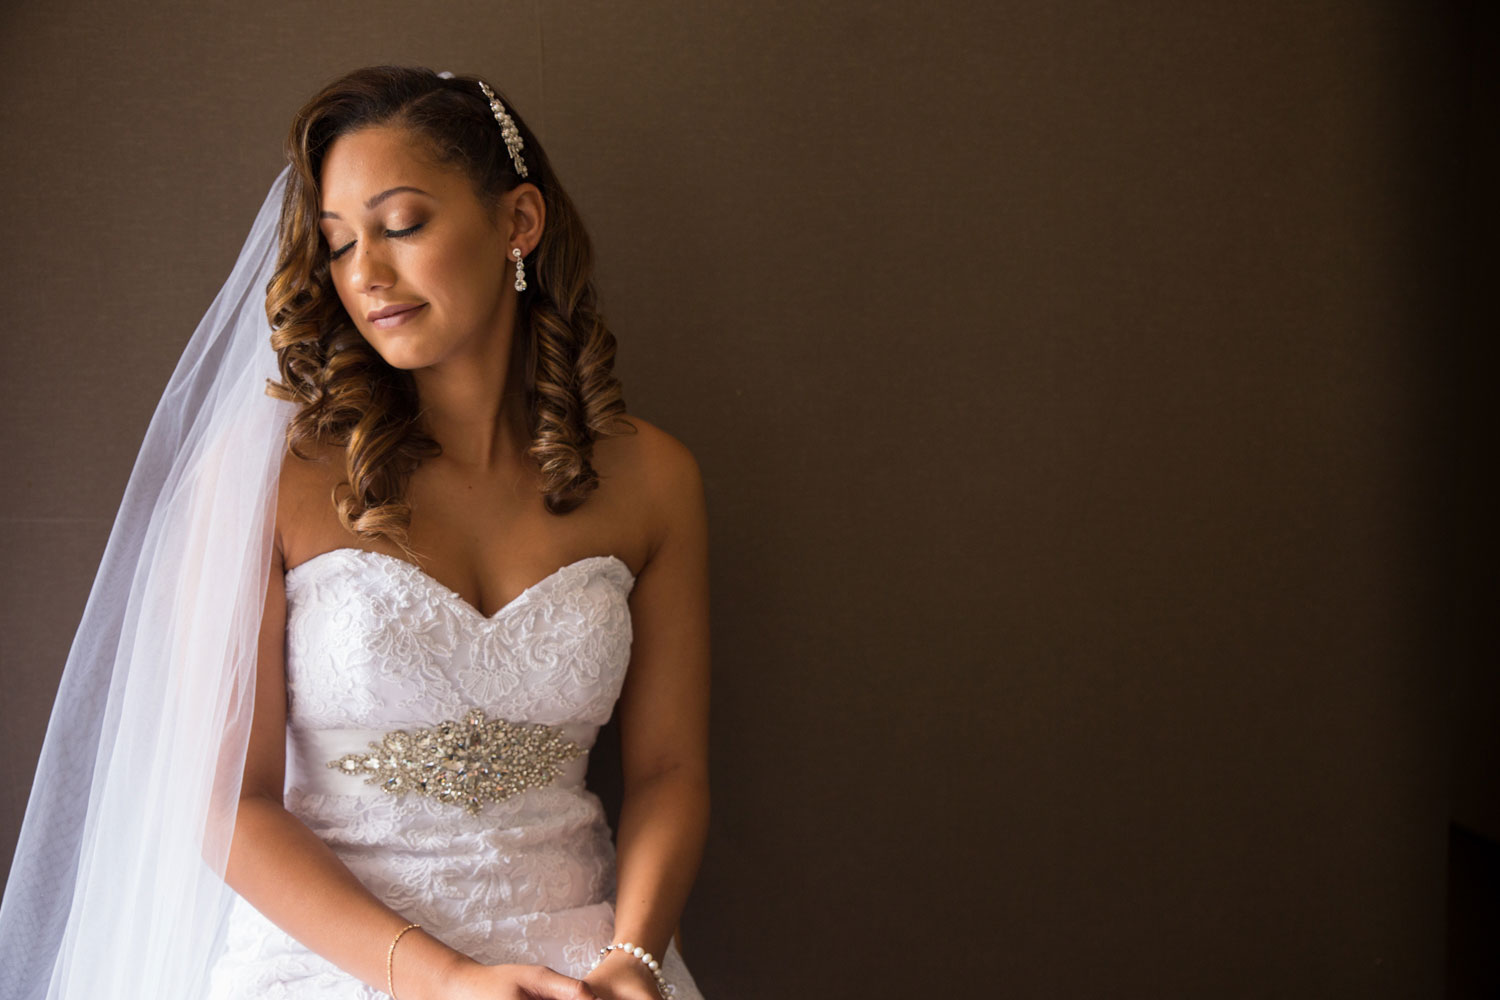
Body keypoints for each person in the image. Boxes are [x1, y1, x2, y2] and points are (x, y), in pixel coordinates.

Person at [0, 66, 710, 1000]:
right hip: (328, 964)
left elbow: (667, 771)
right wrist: (443, 979)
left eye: (402, 225)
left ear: (518, 223)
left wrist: (635, 956)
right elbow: (224, 805)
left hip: (584, 966)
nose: (366, 275)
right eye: (337, 245)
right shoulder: (270, 479)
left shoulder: (653, 478)